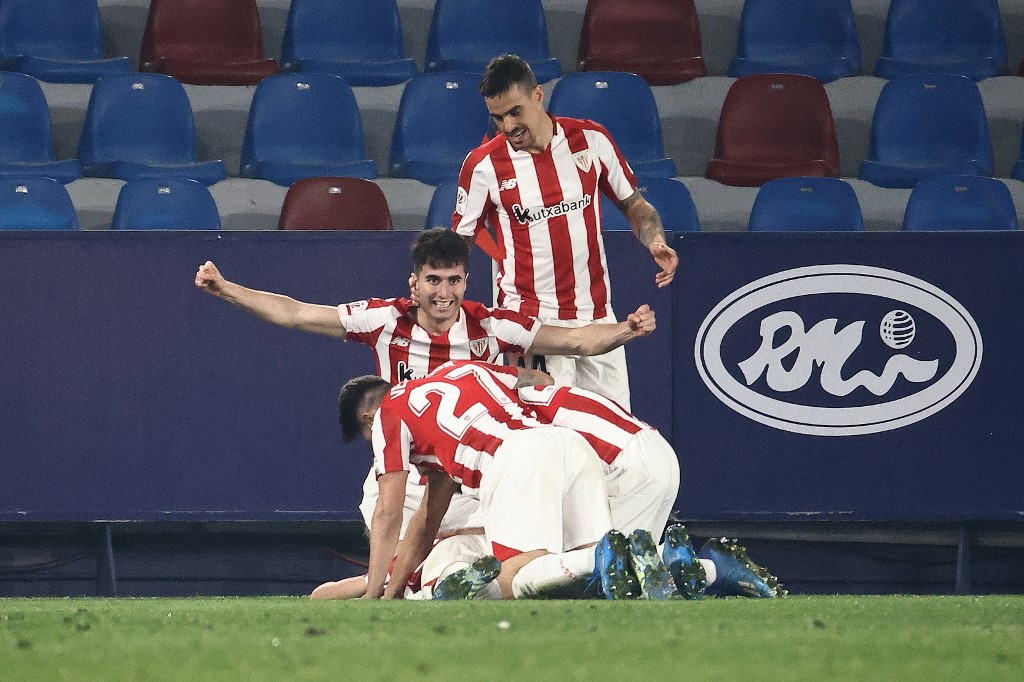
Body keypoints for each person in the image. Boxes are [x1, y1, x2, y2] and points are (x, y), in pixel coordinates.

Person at [337, 363, 679, 601]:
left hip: (515, 456)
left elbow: (388, 511)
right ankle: (671, 557)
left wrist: (372, 596)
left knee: (516, 577)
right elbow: (426, 518)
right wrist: (393, 589)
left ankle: (434, 595)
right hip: (566, 443)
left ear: (368, 420)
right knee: (583, 577)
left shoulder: (387, 415)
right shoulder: (459, 371)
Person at [453, 54, 680, 410]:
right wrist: (436, 284)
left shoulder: (591, 139)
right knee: (548, 444)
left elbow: (635, 206)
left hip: (598, 318)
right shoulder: (483, 166)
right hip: (532, 324)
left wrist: (655, 240)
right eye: (497, 117)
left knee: (614, 438)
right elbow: (460, 243)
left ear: (538, 95)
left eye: (515, 112)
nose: (507, 126)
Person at [194, 228, 656, 384]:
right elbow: (295, 313)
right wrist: (227, 288)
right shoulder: (383, 320)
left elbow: (574, 340)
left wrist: (625, 330)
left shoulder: (491, 325)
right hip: (407, 473)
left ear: (466, 282)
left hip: (476, 475)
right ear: (415, 282)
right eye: (433, 279)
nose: (443, 292)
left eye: (453, 280)